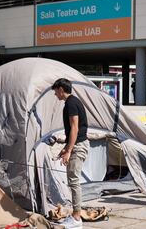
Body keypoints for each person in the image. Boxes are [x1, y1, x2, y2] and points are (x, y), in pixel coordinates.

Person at [52, 78, 89, 229]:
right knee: (73, 181)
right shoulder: (73, 102)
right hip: (77, 144)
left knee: (74, 181)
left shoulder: (71, 103)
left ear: (61, 89)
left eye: (55, 91)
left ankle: (76, 218)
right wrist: (66, 148)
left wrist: (69, 150)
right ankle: (75, 216)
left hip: (78, 146)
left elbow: (75, 128)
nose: (55, 95)